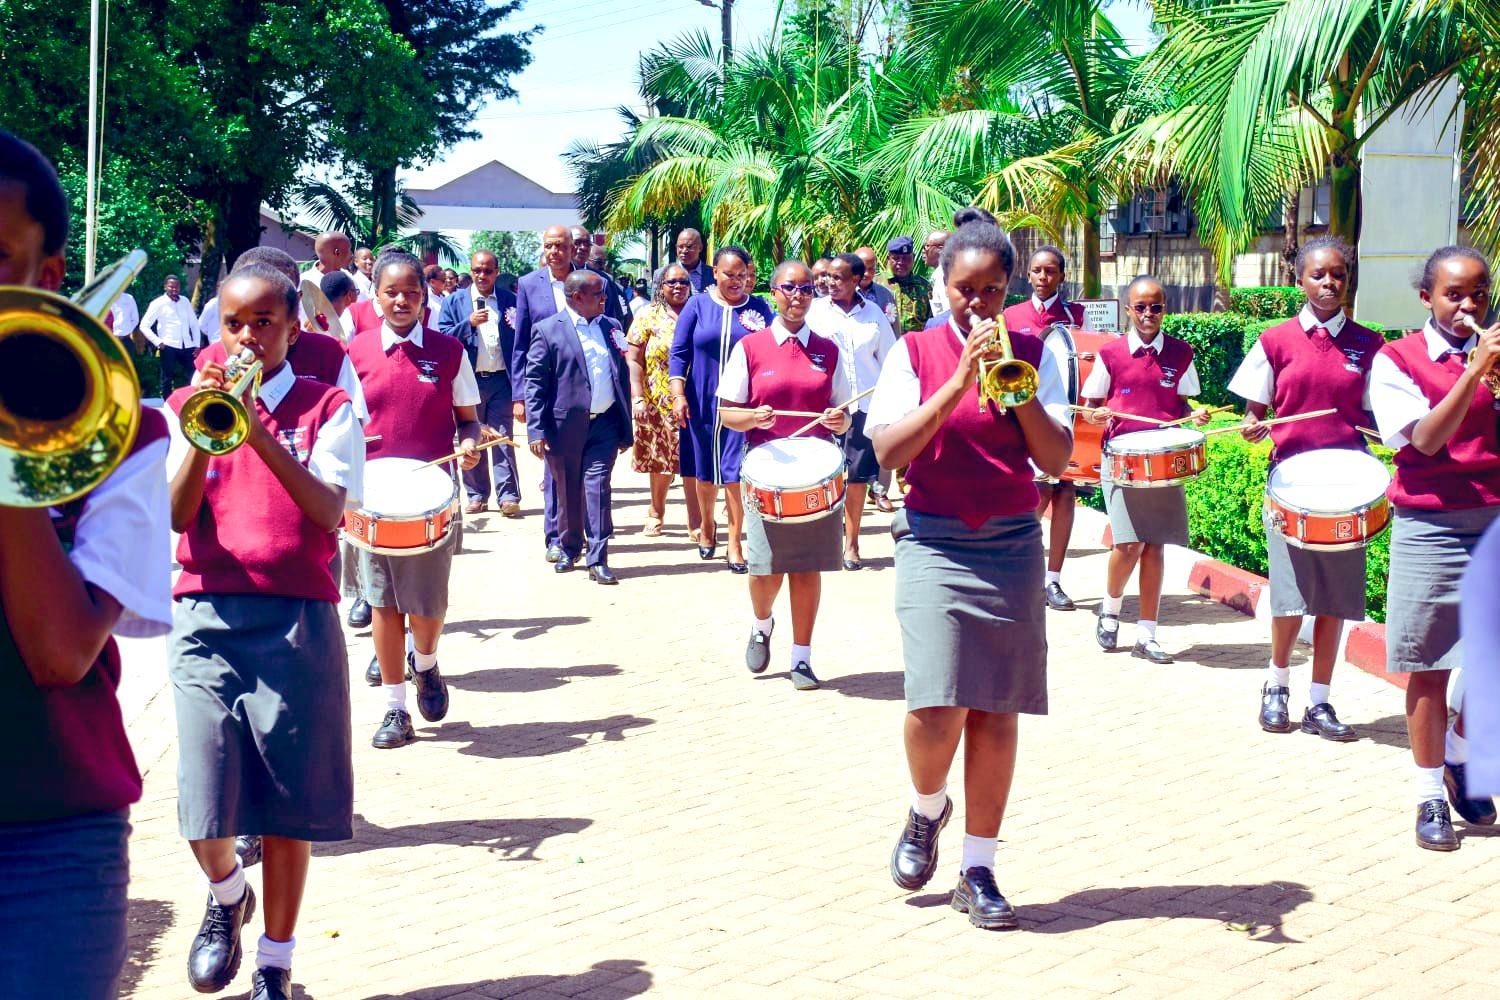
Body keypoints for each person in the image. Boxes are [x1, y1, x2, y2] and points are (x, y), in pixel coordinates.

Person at [0, 129, 173, 1000]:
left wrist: (14, 446)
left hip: (45, 840)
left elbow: (61, 651)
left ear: (49, 274)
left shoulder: (122, 431)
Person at [868, 220, 1072, 931]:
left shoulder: (1036, 352)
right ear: (944, 286)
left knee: (996, 707)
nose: (978, 303)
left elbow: (1055, 460)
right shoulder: (914, 351)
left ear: (1007, 288)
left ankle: (978, 869)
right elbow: (888, 452)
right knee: (935, 703)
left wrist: (1018, 392)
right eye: (965, 289)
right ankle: (927, 809)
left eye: (991, 290)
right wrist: (958, 380)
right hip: (934, 538)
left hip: (1010, 541)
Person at [165, 265, 359, 1000]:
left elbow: (329, 511)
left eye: (263, 323)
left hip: (295, 619)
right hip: (206, 616)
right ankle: (227, 894)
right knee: (202, 798)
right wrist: (208, 427)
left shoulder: (326, 406)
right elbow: (177, 513)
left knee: (286, 803)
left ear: (293, 329)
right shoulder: (189, 402)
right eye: (233, 324)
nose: (246, 338)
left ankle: (275, 962)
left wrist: (259, 431)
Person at [1369, 244, 1500, 851]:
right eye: (1454, 295)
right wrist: (1474, 372)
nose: (1468, 305)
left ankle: (1462, 756)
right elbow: (1424, 439)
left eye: (1480, 294)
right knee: (1430, 663)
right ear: (1427, 298)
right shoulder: (1396, 360)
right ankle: (1428, 795)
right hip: (1432, 524)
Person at [1229, 236, 1382, 741]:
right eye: (1318, 275)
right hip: (1291, 484)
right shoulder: (1274, 341)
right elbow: (1254, 412)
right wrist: (1253, 425)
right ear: (1300, 280)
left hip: (1345, 486)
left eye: (1338, 274)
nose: (1329, 283)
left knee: (1334, 599)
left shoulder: (1369, 344)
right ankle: (1276, 686)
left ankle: (1320, 701)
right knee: (1290, 598)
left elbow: (1377, 416)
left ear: (1348, 280)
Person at [346, 251, 483, 749]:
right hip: (374, 500)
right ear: (376, 297)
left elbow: (468, 419)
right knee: (383, 604)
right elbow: (340, 421)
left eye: (411, 292)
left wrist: (469, 443)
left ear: (425, 298)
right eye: (392, 292)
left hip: (431, 497)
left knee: (427, 606)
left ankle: (424, 663)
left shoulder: (448, 352)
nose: (401, 300)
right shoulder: (354, 353)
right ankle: (395, 709)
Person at [718, 261, 853, 690]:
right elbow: (727, 413)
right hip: (766, 474)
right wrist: (751, 417)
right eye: (790, 288)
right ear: (773, 292)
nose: (798, 296)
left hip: (815, 473)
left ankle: (802, 658)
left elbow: (845, 412)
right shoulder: (751, 347)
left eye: (807, 288)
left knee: (807, 568)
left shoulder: (828, 350)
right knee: (764, 569)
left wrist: (839, 421)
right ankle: (762, 624)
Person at [1081, 276, 1208, 663]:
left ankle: (1147, 635)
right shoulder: (1111, 354)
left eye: (1156, 307)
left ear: (1164, 309)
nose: (1148, 314)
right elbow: (1089, 408)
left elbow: (1182, 405)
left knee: (1154, 546)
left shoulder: (1181, 353)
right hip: (1121, 461)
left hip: (1162, 461)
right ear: (1128, 310)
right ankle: (1110, 609)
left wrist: (1194, 415)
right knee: (1128, 544)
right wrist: (1095, 414)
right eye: (1140, 307)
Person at [669, 246, 777, 573]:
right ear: (715, 272)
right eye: (729, 274)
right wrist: (678, 395)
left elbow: (772, 350)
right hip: (701, 401)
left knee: (734, 473)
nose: (736, 281)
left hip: (742, 405)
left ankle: (734, 542)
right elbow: (679, 353)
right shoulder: (698, 305)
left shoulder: (760, 308)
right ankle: (706, 524)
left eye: (742, 275)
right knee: (705, 471)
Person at [524, 270, 632, 585]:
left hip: (605, 423)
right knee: (568, 490)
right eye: (598, 294)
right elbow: (535, 383)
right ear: (577, 298)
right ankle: (569, 548)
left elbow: (621, 374)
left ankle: (598, 558)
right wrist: (536, 429)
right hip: (563, 427)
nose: (605, 299)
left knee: (598, 488)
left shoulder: (611, 326)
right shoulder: (548, 330)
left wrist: (625, 423)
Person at [1004, 246, 1088, 612]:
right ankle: (1017, 566)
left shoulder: (1077, 316)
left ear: (1062, 276)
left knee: (1065, 493)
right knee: (1035, 494)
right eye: (1037, 270)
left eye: (1051, 271)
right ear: (1028, 274)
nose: (1043, 277)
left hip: (1063, 415)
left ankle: (1052, 579)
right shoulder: (1011, 315)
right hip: (1022, 418)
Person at [809, 253, 896, 569]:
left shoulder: (874, 314)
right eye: (828, 277)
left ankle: (852, 544)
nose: (830, 283)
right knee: (822, 475)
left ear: (857, 280)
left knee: (857, 478)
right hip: (826, 407)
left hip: (864, 408)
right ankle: (821, 541)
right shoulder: (814, 312)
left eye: (838, 277)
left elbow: (890, 360)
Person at [439, 250, 522, 517]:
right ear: (471, 271)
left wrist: (520, 391)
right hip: (469, 381)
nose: (482, 275)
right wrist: (468, 324)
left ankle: (508, 495)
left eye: (487, 271)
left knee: (502, 436)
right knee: (471, 436)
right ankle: (476, 495)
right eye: (477, 270)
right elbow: (443, 337)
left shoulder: (511, 301)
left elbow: (522, 341)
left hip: (501, 381)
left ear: (497, 272)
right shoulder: (454, 302)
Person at [514, 225, 578, 562]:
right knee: (553, 465)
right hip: (547, 388)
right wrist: (520, 395)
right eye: (549, 246)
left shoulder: (591, 282)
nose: (555, 252)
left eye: (560, 246)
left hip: (583, 387)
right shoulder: (528, 285)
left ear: (572, 248)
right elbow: (521, 343)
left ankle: (579, 532)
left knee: (582, 465)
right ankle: (555, 536)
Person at [626, 264, 702, 538]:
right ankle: (656, 511)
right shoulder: (647, 315)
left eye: (683, 282)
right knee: (660, 461)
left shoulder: (700, 312)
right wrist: (637, 397)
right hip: (656, 401)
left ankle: (696, 520)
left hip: (695, 400)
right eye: (672, 282)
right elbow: (634, 359)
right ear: (660, 286)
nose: (678, 287)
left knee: (694, 461)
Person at [141, 274, 203, 398]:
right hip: (168, 345)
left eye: (177, 287)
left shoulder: (185, 301)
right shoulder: (158, 303)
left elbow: (194, 324)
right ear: (165, 287)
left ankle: (192, 399)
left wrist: (196, 344)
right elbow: (144, 325)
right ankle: (167, 402)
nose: (174, 289)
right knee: (167, 377)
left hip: (187, 344)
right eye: (171, 287)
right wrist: (158, 342)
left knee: (193, 374)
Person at [885, 235, 933, 334]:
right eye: (896, 258)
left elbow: (932, 320)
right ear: (888, 259)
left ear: (914, 258)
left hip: (916, 342)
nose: (901, 262)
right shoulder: (877, 284)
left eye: (906, 258)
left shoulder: (924, 286)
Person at [653, 227, 716, 292]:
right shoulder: (660, 274)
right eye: (680, 247)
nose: (684, 251)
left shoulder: (714, 274)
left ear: (700, 247)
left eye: (689, 246)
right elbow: (656, 298)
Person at [855, 245, 897, 317]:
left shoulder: (886, 295)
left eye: (871, 269)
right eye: (862, 268)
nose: (866, 273)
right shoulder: (842, 293)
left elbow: (893, 323)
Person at [320, 269, 359, 339]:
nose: (357, 295)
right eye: (356, 291)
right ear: (349, 296)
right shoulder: (351, 322)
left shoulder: (316, 323)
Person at [923, 230, 950, 316]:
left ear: (941, 249)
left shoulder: (943, 274)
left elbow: (948, 312)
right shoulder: (941, 273)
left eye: (927, 246)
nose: (924, 251)